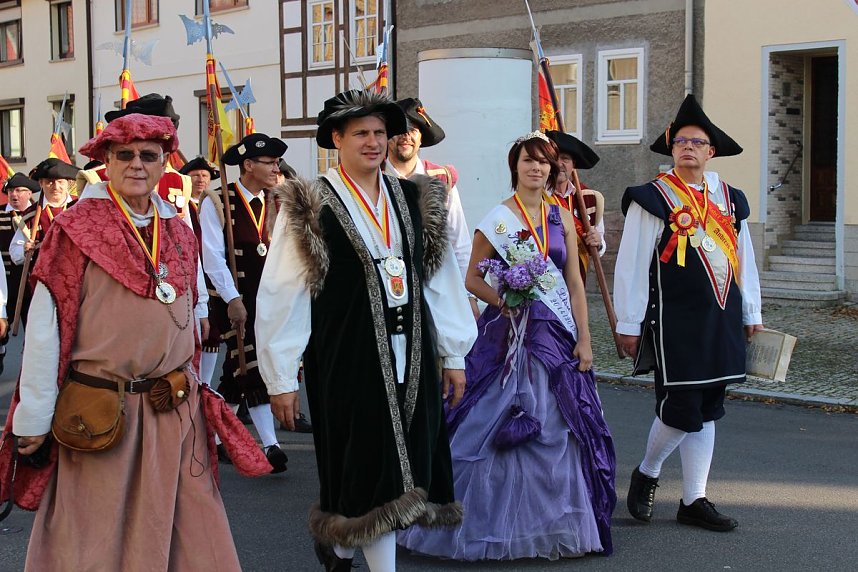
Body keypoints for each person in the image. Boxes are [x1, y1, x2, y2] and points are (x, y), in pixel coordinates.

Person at [0, 113, 270, 570]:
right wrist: (34, 416)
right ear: (106, 161)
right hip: (102, 414)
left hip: (174, 412)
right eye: (125, 155)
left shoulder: (180, 230)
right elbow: (47, 331)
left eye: (150, 155)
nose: (137, 164)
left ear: (165, 163)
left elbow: (188, 305)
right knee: (96, 537)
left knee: (190, 536)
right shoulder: (74, 231)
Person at [256, 89, 477, 572]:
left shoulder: (417, 196)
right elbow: (281, 293)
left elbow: (437, 279)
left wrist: (455, 353)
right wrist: (281, 377)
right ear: (337, 139)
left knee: (400, 465)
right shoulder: (310, 203)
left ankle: (338, 545)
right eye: (362, 133)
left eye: (380, 132)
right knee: (371, 468)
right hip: (347, 357)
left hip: (412, 352)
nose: (374, 142)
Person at [398, 131, 616, 560]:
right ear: (515, 167)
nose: (536, 168)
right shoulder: (498, 219)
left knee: (559, 429)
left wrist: (586, 340)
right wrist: (506, 299)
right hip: (507, 336)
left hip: (556, 335)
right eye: (527, 161)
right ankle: (478, 524)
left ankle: (550, 523)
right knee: (488, 423)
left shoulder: (562, 219)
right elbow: (472, 279)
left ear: (552, 169)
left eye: (543, 162)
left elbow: (573, 283)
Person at [614, 94, 763, 532]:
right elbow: (633, 263)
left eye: (697, 142)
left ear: (711, 150)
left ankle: (694, 498)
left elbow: (744, 260)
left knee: (710, 404)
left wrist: (751, 310)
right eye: (680, 141)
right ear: (671, 148)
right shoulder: (652, 198)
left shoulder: (731, 200)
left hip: (721, 318)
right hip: (674, 322)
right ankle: (648, 472)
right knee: (683, 406)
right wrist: (628, 322)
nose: (688, 148)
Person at [200, 132, 290, 473]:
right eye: (269, 162)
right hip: (236, 298)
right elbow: (211, 256)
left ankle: (217, 436)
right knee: (251, 363)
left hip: (270, 297)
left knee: (234, 371)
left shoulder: (279, 200)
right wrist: (232, 298)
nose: (275, 168)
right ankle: (271, 445)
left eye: (277, 163)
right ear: (248, 164)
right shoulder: (218, 201)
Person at [385, 97, 479, 319]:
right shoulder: (373, 178)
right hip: (389, 289)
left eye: (413, 130)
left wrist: (468, 296)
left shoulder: (441, 179)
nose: (406, 136)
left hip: (437, 290)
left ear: (421, 138)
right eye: (400, 129)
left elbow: (460, 242)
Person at [180, 155, 223, 386]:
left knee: (213, 331)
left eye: (204, 175)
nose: (200, 180)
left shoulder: (215, 204)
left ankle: (206, 384)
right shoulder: (180, 205)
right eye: (195, 175)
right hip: (191, 273)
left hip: (212, 273)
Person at [545, 130, 606, 283]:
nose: (560, 164)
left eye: (565, 159)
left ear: (574, 165)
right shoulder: (535, 196)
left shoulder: (590, 198)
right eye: (555, 158)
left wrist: (597, 242)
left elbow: (600, 244)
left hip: (577, 281)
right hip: (544, 281)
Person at [10, 158, 79, 267]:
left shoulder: (80, 209)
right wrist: (24, 249)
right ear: (41, 183)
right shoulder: (30, 215)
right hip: (40, 280)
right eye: (49, 182)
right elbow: (14, 252)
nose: (56, 187)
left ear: (69, 183)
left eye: (60, 182)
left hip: (77, 278)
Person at [0, 173, 37, 372]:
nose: (14, 195)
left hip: (29, 284)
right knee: (1, 328)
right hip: (3, 282)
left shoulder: (36, 215)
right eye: (11, 191)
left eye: (20, 190)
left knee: (32, 329)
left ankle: (30, 369)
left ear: (29, 193)